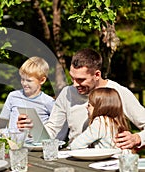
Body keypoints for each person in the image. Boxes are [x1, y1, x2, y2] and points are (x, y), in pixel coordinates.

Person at [17, 48, 145, 149]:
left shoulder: (117, 92)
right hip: (74, 157)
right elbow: (52, 131)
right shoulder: (67, 93)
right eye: (72, 78)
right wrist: (32, 128)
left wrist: (137, 138)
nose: (75, 84)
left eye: (81, 80)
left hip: (109, 161)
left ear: (97, 74)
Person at [0, 56, 55, 131]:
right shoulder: (13, 96)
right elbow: (1, 123)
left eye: (29, 81)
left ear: (42, 80)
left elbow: (55, 127)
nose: (24, 83)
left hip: (36, 142)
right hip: (13, 141)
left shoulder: (48, 101)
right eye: (22, 79)